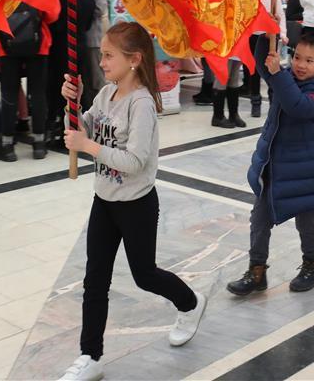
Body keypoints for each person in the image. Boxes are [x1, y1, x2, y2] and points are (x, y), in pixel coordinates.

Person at [58, 22, 207, 381]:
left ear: (135, 60)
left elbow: (134, 161)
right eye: (102, 55)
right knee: (95, 280)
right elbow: (82, 129)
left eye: (109, 56)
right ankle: (90, 356)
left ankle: (190, 302)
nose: (103, 62)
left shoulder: (140, 104)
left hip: (136, 204)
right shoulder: (106, 95)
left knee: (145, 275)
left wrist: (87, 146)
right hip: (104, 200)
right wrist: (73, 104)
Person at [226, 33, 314, 296]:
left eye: (309, 60)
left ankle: (313, 265)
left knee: (307, 223)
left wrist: (279, 74)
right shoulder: (286, 76)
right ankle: (257, 271)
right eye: (297, 57)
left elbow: (298, 106)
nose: (301, 64)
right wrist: (262, 33)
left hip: (304, 170)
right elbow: (262, 65)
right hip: (274, 167)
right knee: (259, 220)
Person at [0, 0, 60, 162]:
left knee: (9, 92)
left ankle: (7, 145)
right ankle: (39, 144)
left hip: (7, 43)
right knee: (37, 93)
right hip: (39, 43)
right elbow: (54, 13)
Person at [46, 0, 96, 147]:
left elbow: (62, 20)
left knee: (72, 89)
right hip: (70, 46)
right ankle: (68, 128)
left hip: (67, 48)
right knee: (69, 89)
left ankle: (74, 131)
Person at [77, 0, 109, 112]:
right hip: (91, 35)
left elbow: (99, 7)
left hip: (93, 36)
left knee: (97, 79)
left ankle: (104, 112)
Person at [211, 59, 245, 128]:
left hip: (237, 49)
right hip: (223, 49)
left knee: (234, 77)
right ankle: (218, 116)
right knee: (222, 77)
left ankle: (233, 114)